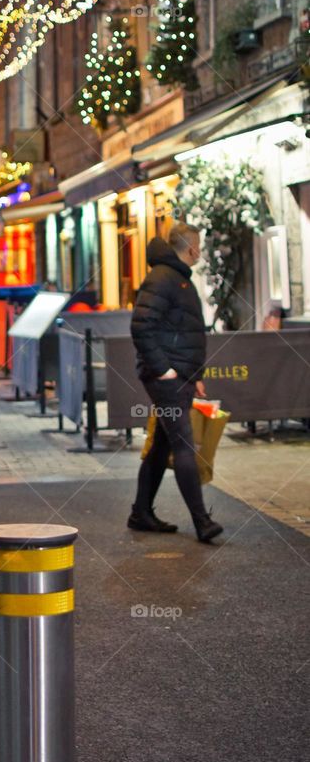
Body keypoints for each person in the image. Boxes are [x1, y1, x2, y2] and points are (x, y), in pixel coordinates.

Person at [129, 222, 223, 543]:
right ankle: (202, 522)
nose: (201, 252)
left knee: (163, 444)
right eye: (200, 247)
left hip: (179, 376)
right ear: (192, 248)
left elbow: (182, 332)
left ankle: (141, 513)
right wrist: (164, 370)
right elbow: (141, 326)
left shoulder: (175, 277)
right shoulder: (163, 278)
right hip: (167, 379)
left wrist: (194, 377)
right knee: (183, 444)